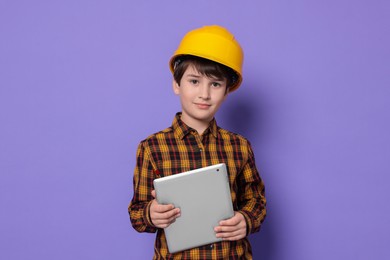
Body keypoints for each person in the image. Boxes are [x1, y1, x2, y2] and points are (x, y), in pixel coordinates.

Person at [128, 25, 266, 259]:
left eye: (215, 84)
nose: (204, 93)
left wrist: (246, 219)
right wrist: (151, 214)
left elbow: (256, 200)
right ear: (176, 84)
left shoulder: (240, 146)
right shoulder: (152, 148)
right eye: (194, 81)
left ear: (226, 91)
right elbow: (137, 213)